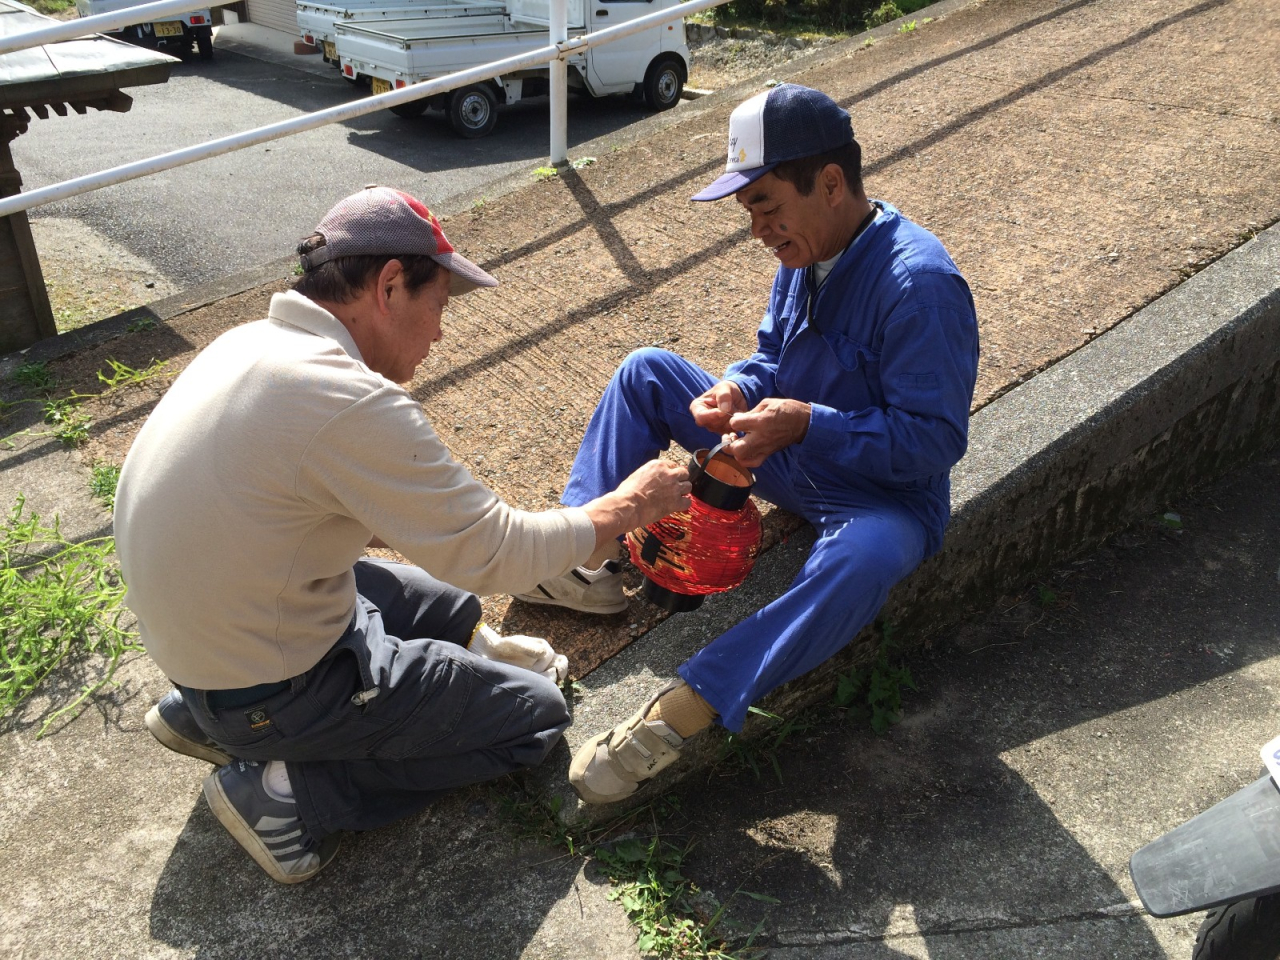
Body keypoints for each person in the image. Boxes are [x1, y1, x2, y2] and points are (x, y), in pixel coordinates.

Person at [113, 186, 690, 883]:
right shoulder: (347, 401)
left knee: (442, 601)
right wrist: (623, 510)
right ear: (389, 285)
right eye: (438, 305)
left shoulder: (251, 343)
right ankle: (286, 795)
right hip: (265, 687)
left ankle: (206, 717)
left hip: (203, 641)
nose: (441, 332)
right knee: (534, 718)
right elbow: (494, 551)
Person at [516, 84, 980, 804]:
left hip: (883, 496)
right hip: (786, 454)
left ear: (829, 183)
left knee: (863, 561)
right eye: (749, 211)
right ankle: (583, 557)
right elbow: (772, 356)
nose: (757, 227)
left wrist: (807, 424)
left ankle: (683, 711)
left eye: (765, 204)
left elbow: (935, 441)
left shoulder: (920, 284)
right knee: (647, 371)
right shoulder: (807, 251)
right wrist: (737, 387)